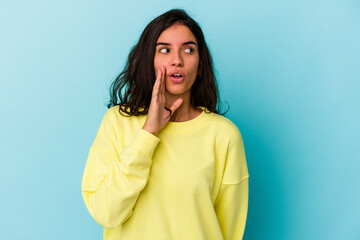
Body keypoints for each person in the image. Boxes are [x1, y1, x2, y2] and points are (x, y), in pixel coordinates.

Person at [81, 8, 249, 240]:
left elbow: (229, 230)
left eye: (188, 50)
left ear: (200, 65)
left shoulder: (224, 135)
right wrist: (148, 133)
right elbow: (106, 212)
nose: (177, 60)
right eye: (165, 50)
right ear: (149, 60)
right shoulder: (117, 123)